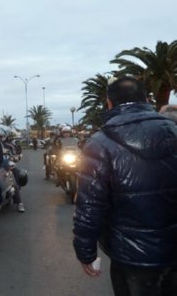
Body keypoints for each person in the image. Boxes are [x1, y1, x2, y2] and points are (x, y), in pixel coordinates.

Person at [73, 76, 177, 295]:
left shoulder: (100, 143)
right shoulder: (173, 130)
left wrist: (86, 253)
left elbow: (90, 206)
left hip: (131, 255)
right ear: (146, 99)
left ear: (109, 103)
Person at [0, 126, 25, 213]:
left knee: (13, 180)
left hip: (6, 166)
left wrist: (13, 158)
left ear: (3, 136)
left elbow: (16, 155)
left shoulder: (9, 145)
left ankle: (19, 203)